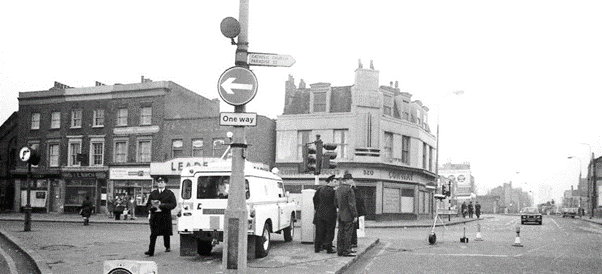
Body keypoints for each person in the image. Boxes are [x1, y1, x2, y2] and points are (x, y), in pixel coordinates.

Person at [145, 177, 177, 257]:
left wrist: (164, 205)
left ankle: (167, 246)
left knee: (166, 233)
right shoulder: (153, 193)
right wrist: (151, 208)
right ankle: (150, 250)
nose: (160, 183)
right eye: (159, 182)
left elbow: (173, 204)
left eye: (162, 182)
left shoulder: (169, 193)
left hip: (164, 216)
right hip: (155, 216)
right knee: (153, 234)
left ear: (165, 184)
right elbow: (148, 204)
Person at [313, 174, 338, 254]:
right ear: (330, 182)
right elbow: (336, 203)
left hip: (319, 215)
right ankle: (328, 249)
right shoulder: (334, 191)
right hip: (330, 215)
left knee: (319, 232)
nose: (336, 183)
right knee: (329, 232)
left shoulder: (319, 189)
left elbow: (315, 200)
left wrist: (317, 208)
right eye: (334, 181)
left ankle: (317, 248)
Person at [335, 172, 357, 257]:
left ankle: (340, 251)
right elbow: (352, 204)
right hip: (348, 216)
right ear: (347, 180)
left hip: (340, 215)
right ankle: (346, 251)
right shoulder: (349, 190)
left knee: (340, 233)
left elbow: (336, 203)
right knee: (348, 233)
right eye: (351, 179)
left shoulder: (338, 189)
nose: (352, 181)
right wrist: (355, 215)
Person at [351, 178, 366, 249]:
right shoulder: (357, 191)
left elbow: (357, 202)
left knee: (352, 228)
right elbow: (361, 201)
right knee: (353, 228)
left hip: (353, 212)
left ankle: (353, 242)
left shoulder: (354, 191)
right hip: (356, 212)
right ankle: (354, 242)